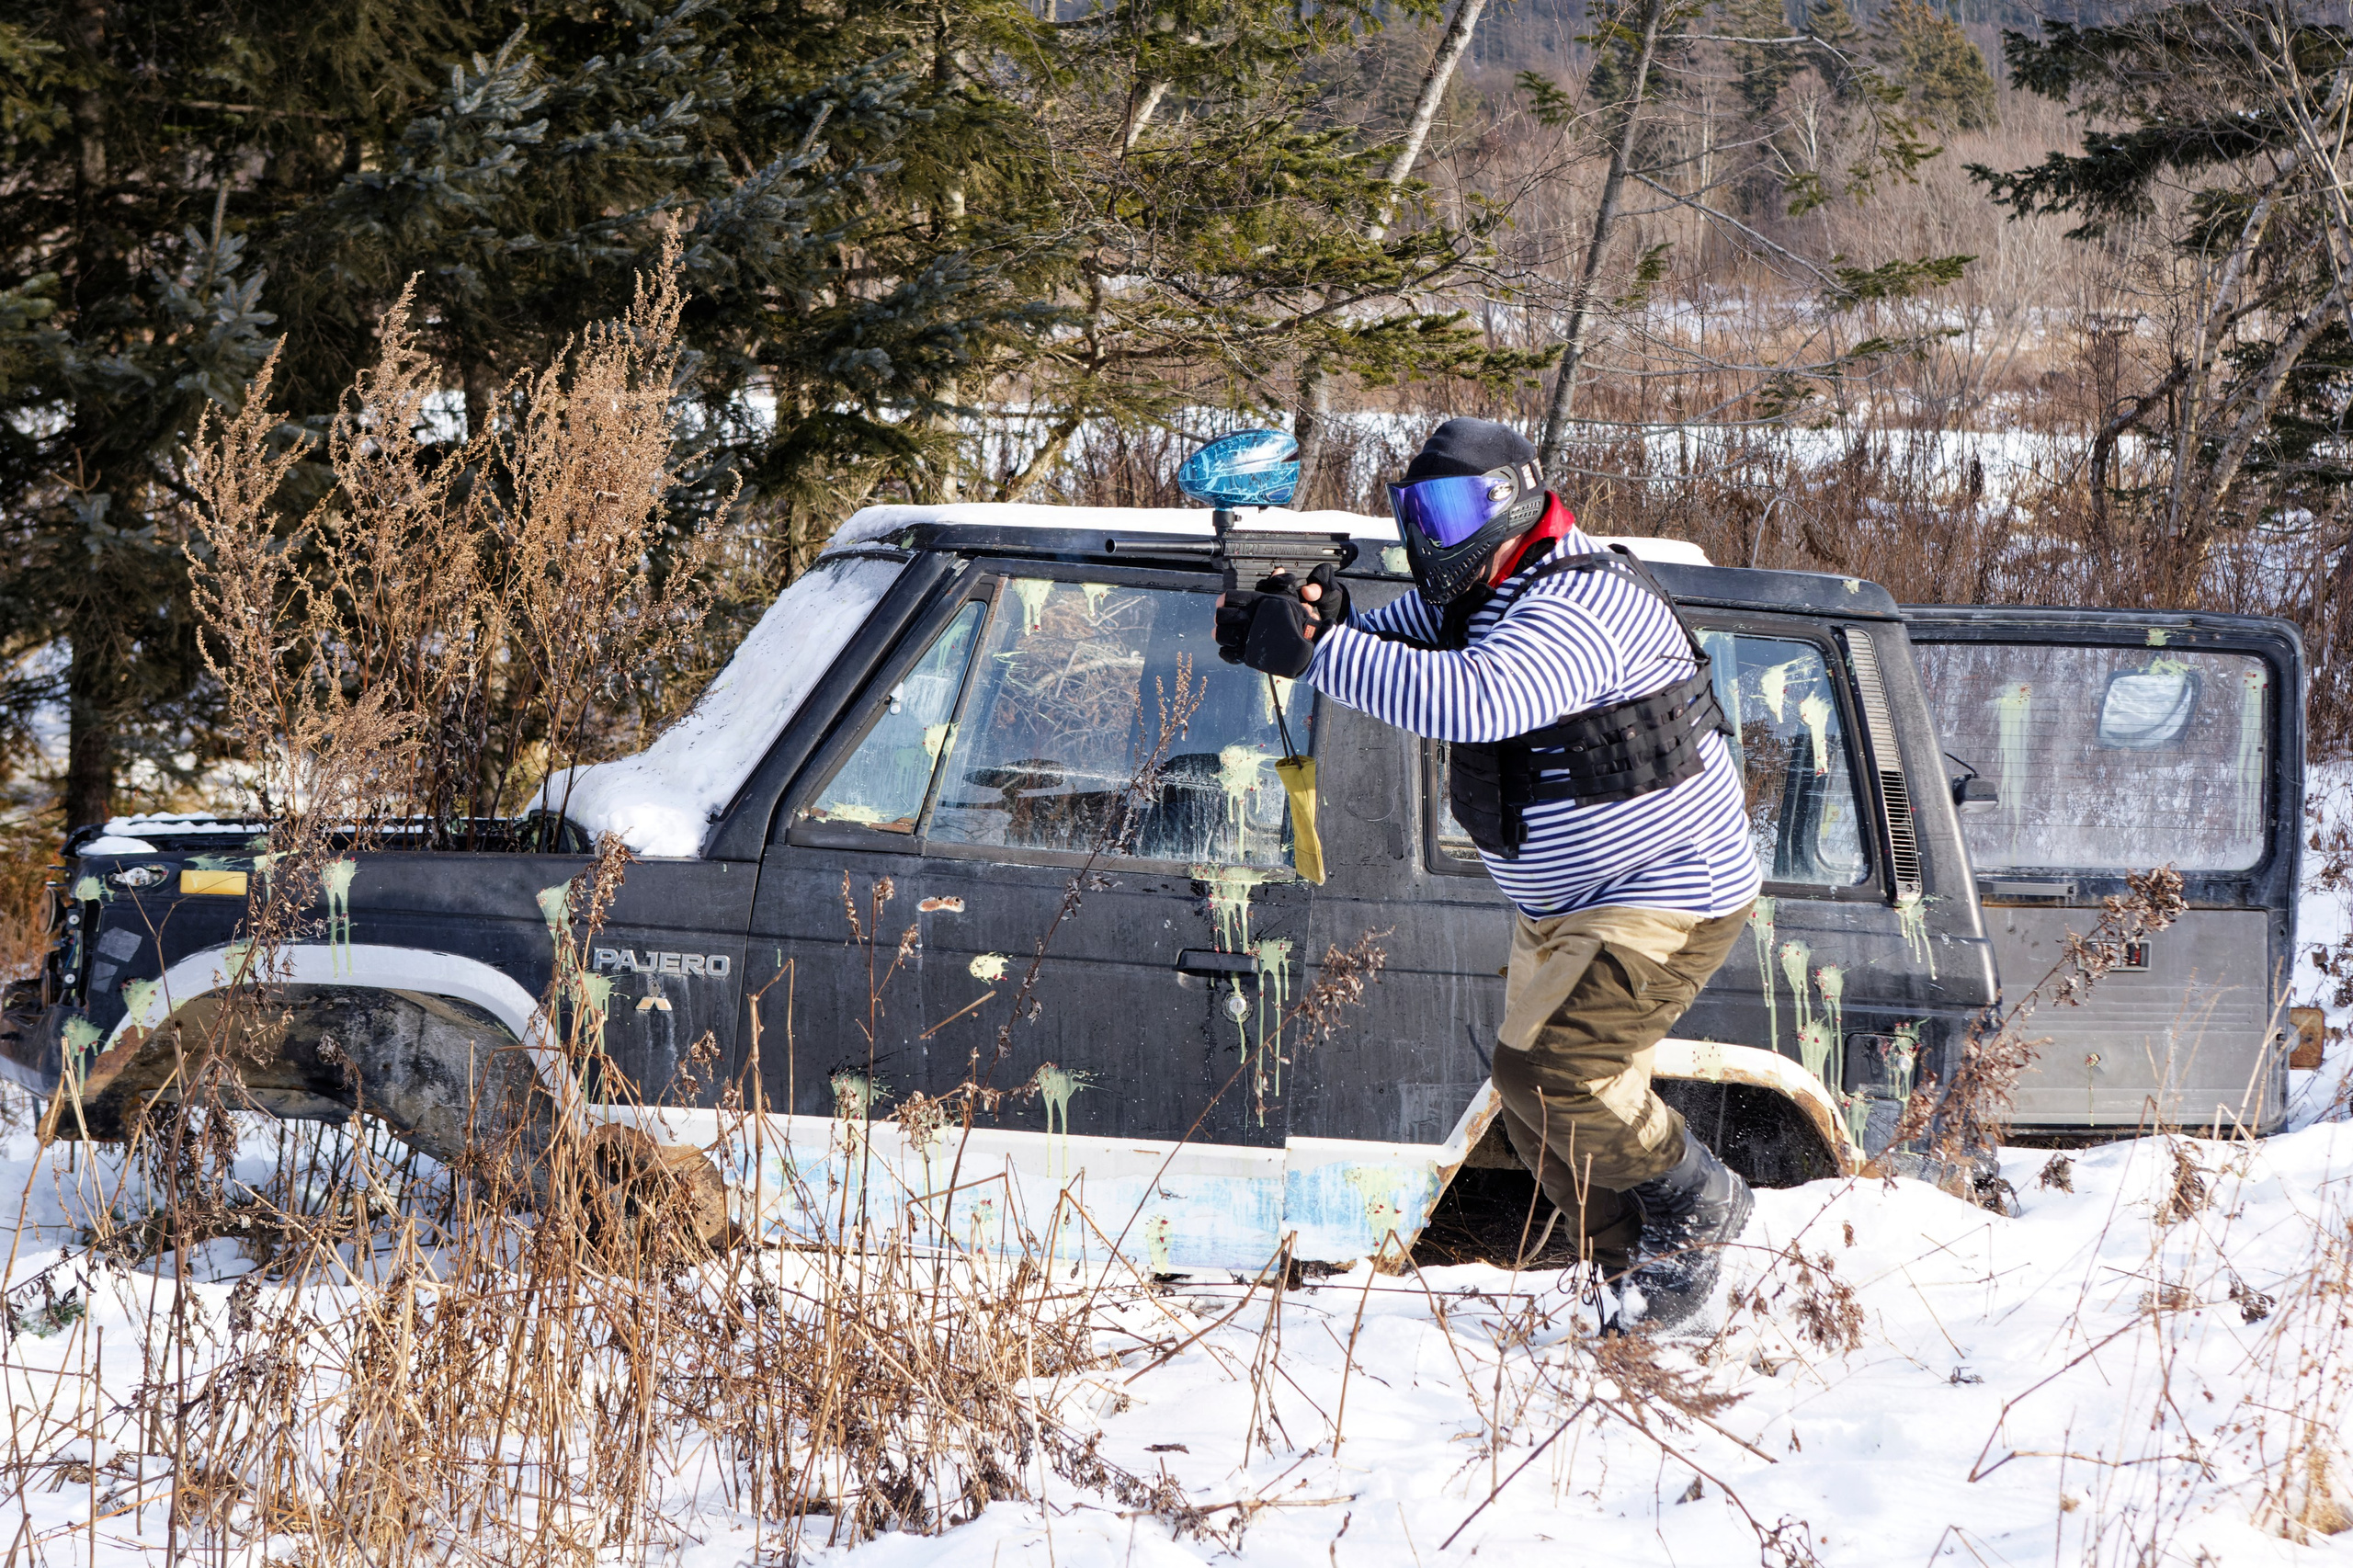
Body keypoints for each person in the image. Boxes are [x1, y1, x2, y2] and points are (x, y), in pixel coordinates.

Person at [1214, 418, 1763, 1331]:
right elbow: (1384, 641)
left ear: (1512, 499)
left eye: (1452, 509)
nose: (1432, 532)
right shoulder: (1485, 590)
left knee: (1553, 1071)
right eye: (1418, 511)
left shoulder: (1579, 600)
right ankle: (1646, 1285)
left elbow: (1477, 697)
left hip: (1664, 890)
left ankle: (1697, 1197)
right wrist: (1308, 617)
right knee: (1532, 1108)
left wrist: (1316, 651)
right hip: (1567, 904)